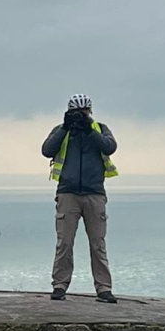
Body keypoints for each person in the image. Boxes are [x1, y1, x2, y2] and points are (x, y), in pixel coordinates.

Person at [41, 94, 119, 303]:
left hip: (94, 193)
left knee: (98, 244)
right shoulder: (62, 130)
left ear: (90, 111)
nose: (80, 116)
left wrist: (88, 129)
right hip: (68, 193)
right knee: (64, 243)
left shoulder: (100, 129)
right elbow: (46, 150)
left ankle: (103, 288)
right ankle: (59, 285)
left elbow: (110, 147)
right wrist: (66, 128)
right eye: (77, 113)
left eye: (84, 113)